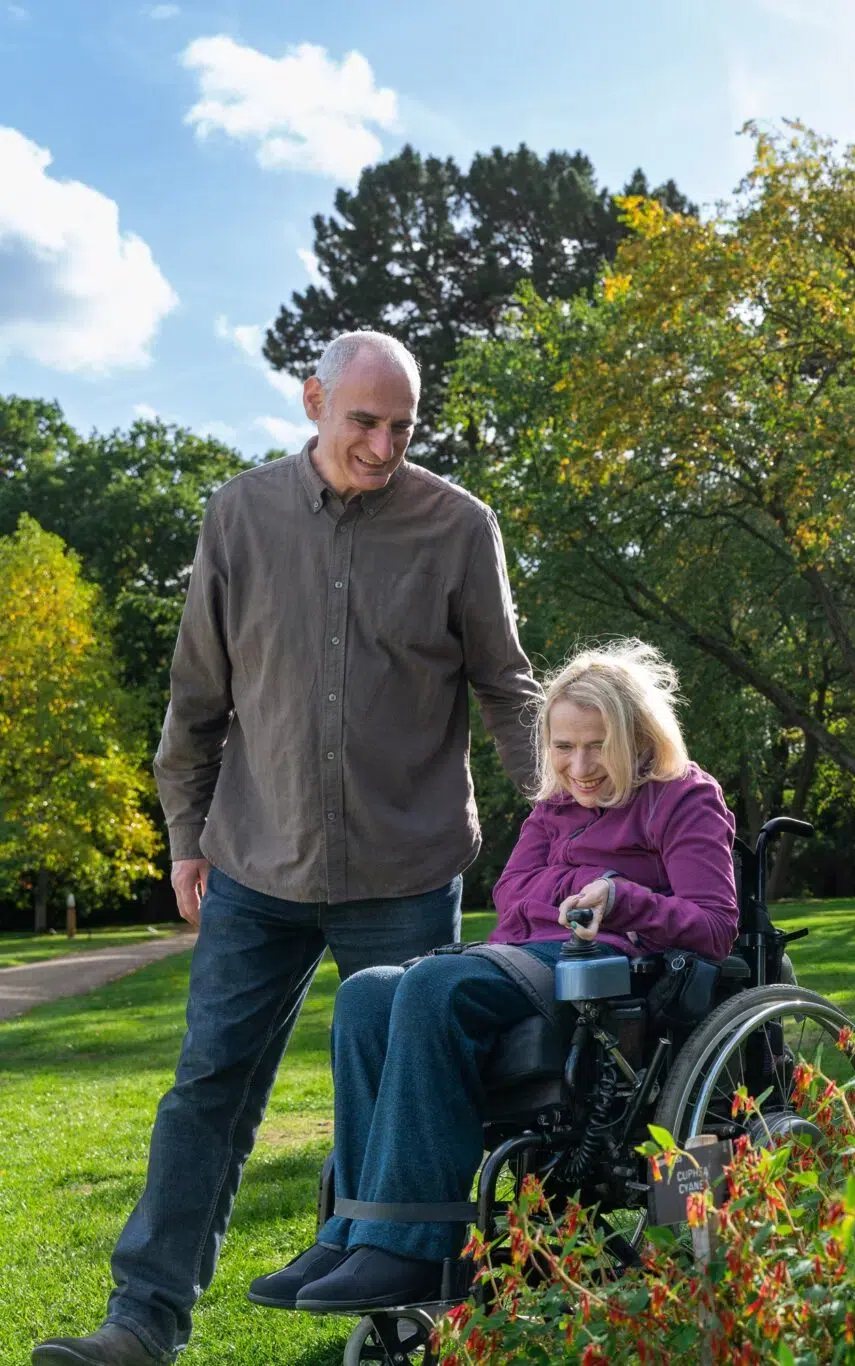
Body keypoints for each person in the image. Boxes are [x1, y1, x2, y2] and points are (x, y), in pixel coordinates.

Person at [34, 331, 543, 1366]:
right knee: (206, 1089)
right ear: (313, 400)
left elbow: (508, 687)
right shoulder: (239, 515)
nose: (383, 444)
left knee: (419, 1090)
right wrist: (185, 839)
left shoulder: (458, 527)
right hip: (255, 864)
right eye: (364, 420)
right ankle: (143, 1322)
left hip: (404, 865)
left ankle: (400, 1323)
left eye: (402, 427)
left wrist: (565, 815)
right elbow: (196, 700)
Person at [249, 640, 739, 1311]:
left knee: (430, 985)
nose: (579, 766)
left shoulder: (684, 800)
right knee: (365, 994)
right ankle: (353, 1233)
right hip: (524, 964)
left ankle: (414, 1251)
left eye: (597, 746)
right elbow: (515, 901)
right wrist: (581, 886)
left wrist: (623, 899)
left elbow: (714, 927)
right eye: (563, 747)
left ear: (638, 736)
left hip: (617, 981)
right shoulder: (553, 808)